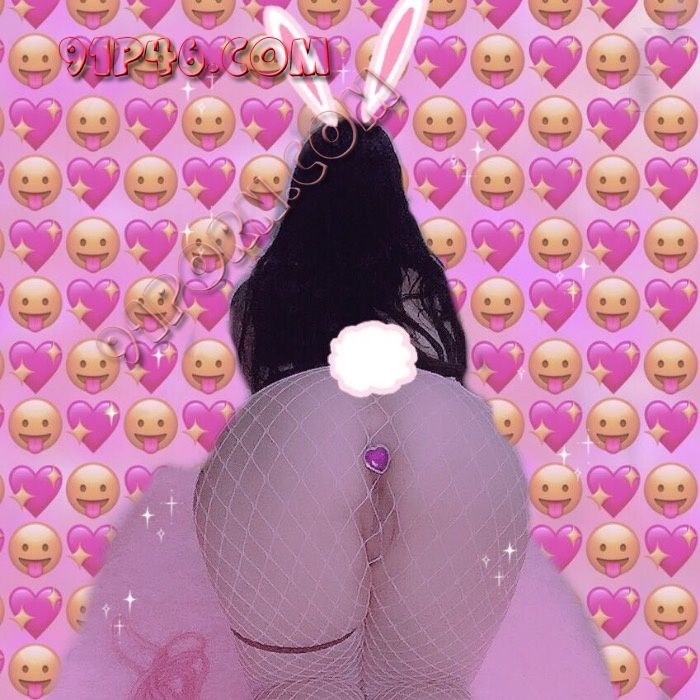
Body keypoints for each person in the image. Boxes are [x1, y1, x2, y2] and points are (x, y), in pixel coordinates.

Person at [53, 120, 615, 700]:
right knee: (427, 685)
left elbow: (270, 385)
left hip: (299, 441)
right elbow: (446, 368)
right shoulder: (422, 280)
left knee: (302, 685)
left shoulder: (265, 289)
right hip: (443, 431)